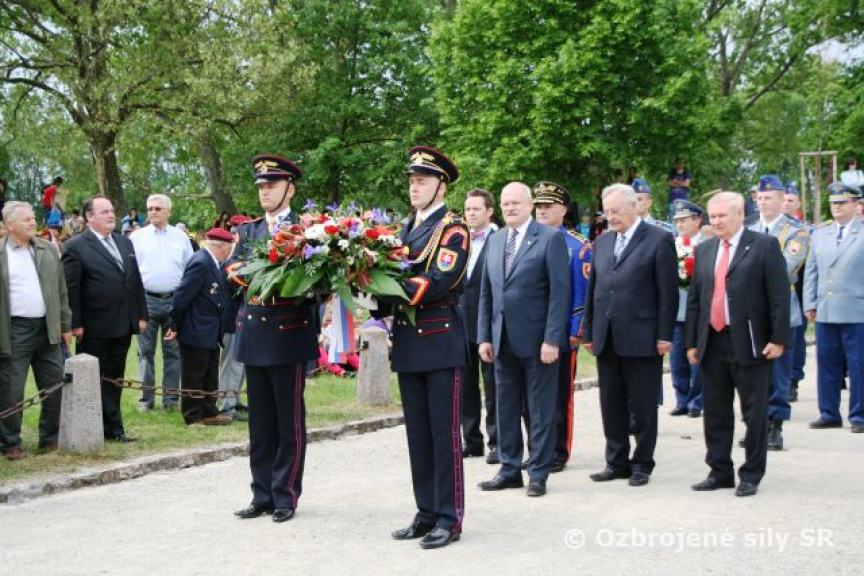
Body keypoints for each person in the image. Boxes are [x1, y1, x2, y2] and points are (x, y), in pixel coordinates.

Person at [380, 146, 468, 549]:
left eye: (422, 181)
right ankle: (426, 512)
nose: (414, 188)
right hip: (409, 342)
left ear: (441, 186)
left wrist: (387, 288)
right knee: (418, 435)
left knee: (443, 435)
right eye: (412, 181)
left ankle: (449, 518)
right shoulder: (403, 229)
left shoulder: (453, 229)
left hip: (439, 340)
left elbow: (438, 281)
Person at [228, 154, 318, 524]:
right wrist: (258, 274)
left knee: (288, 423)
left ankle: (285, 494)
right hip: (255, 334)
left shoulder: (308, 230)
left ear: (289, 189)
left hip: (288, 334)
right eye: (261, 186)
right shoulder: (249, 230)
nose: (264, 192)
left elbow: (317, 282)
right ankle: (261, 493)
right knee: (260, 424)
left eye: (272, 186)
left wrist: (286, 279)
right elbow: (232, 268)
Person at [686, 192, 789, 497]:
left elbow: (779, 296)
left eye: (722, 216)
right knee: (715, 411)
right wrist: (692, 342)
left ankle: (751, 474)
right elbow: (696, 300)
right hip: (712, 340)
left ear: (740, 214)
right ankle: (719, 471)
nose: (716, 222)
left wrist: (778, 338)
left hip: (750, 341)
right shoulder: (705, 249)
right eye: (713, 216)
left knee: (754, 413)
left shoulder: (764, 246)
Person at [477, 182, 570, 498]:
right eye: (505, 203)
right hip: (501, 340)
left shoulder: (550, 238)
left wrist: (552, 339)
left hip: (538, 342)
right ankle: (509, 469)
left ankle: (539, 473)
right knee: (504, 407)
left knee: (540, 410)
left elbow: (559, 293)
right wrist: (484, 336)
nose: (510, 208)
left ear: (529, 205)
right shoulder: (496, 240)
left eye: (516, 203)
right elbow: (487, 292)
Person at [582, 183, 678, 487]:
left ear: (634, 206)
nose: (610, 217)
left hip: (642, 335)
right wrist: (588, 330)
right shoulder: (602, 241)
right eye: (607, 212)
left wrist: (664, 335)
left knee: (643, 404)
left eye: (616, 211)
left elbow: (668, 293)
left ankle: (642, 463)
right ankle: (616, 461)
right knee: (611, 403)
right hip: (607, 335)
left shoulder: (659, 239)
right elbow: (594, 290)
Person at [62, 195, 148, 442]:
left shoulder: (124, 242)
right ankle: (90, 428)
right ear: (89, 218)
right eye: (104, 212)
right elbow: (72, 288)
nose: (111, 215)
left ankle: (113, 428)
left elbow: (135, 280)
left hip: (123, 322)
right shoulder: (76, 246)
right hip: (94, 325)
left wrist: (141, 314)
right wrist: (75, 323)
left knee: (115, 376)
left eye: (111, 211)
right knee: (92, 378)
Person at [0, 202, 71, 460]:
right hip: (14, 330)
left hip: (47, 328)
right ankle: (10, 443)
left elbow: (61, 289)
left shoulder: (46, 249)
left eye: (33, 218)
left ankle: (50, 438)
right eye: (26, 219)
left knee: (55, 384)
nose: (33, 222)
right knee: (11, 389)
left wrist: (65, 325)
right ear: (10, 225)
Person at [532, 181, 591, 473]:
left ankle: (558, 450)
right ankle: (537, 449)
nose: (542, 211)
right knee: (532, 397)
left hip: (562, 334)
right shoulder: (527, 239)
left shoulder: (577, 246)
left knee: (559, 396)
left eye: (549, 206)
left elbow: (582, 292)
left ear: (563, 210)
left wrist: (576, 330)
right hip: (530, 331)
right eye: (538, 206)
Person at [747, 175, 810, 450]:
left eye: (768, 198)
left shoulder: (795, 231)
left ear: (782, 199)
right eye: (759, 198)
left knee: (778, 372)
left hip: (780, 309)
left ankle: (775, 425)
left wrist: (749, 272)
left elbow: (785, 268)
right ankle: (755, 425)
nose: (762, 202)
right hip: (750, 310)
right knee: (751, 372)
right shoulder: (749, 228)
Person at [803, 182, 863, 433]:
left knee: (859, 366)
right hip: (826, 308)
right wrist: (809, 302)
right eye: (833, 203)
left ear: (856, 205)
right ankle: (828, 413)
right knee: (827, 364)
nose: (837, 207)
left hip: (857, 309)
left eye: (842, 203)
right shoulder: (821, 233)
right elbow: (811, 270)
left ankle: (859, 415)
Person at [129, 194, 193, 412]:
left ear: (168, 211)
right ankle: (146, 399)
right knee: (145, 352)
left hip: (174, 301)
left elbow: (190, 269)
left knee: (173, 352)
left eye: (157, 208)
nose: (153, 212)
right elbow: (131, 272)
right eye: (149, 208)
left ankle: (171, 400)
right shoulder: (137, 238)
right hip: (146, 300)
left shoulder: (181, 237)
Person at [165, 228, 234, 426]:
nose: (229, 253)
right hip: (196, 327)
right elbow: (181, 297)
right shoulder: (201, 262)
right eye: (229, 249)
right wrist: (174, 324)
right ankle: (193, 415)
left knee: (209, 372)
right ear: (222, 247)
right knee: (194, 374)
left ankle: (209, 411)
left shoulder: (211, 262)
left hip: (210, 328)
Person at [459, 188, 498, 463]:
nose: (471, 214)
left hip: (490, 325)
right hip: (461, 324)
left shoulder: (501, 239)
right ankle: (472, 440)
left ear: (489, 211)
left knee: (494, 387)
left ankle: (498, 442)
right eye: (468, 209)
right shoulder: (459, 240)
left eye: (476, 209)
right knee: (465, 386)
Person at [669, 200, 705, 418]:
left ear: (697, 220)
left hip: (700, 311)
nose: (680, 225)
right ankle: (682, 399)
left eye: (684, 220)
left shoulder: (708, 244)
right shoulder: (672, 245)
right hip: (677, 310)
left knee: (697, 359)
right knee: (677, 360)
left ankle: (697, 401)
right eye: (677, 221)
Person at [218, 215, 252, 421]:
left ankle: (235, 399)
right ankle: (226, 405)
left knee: (240, 363)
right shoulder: (233, 261)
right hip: (232, 317)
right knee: (231, 363)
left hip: (244, 318)